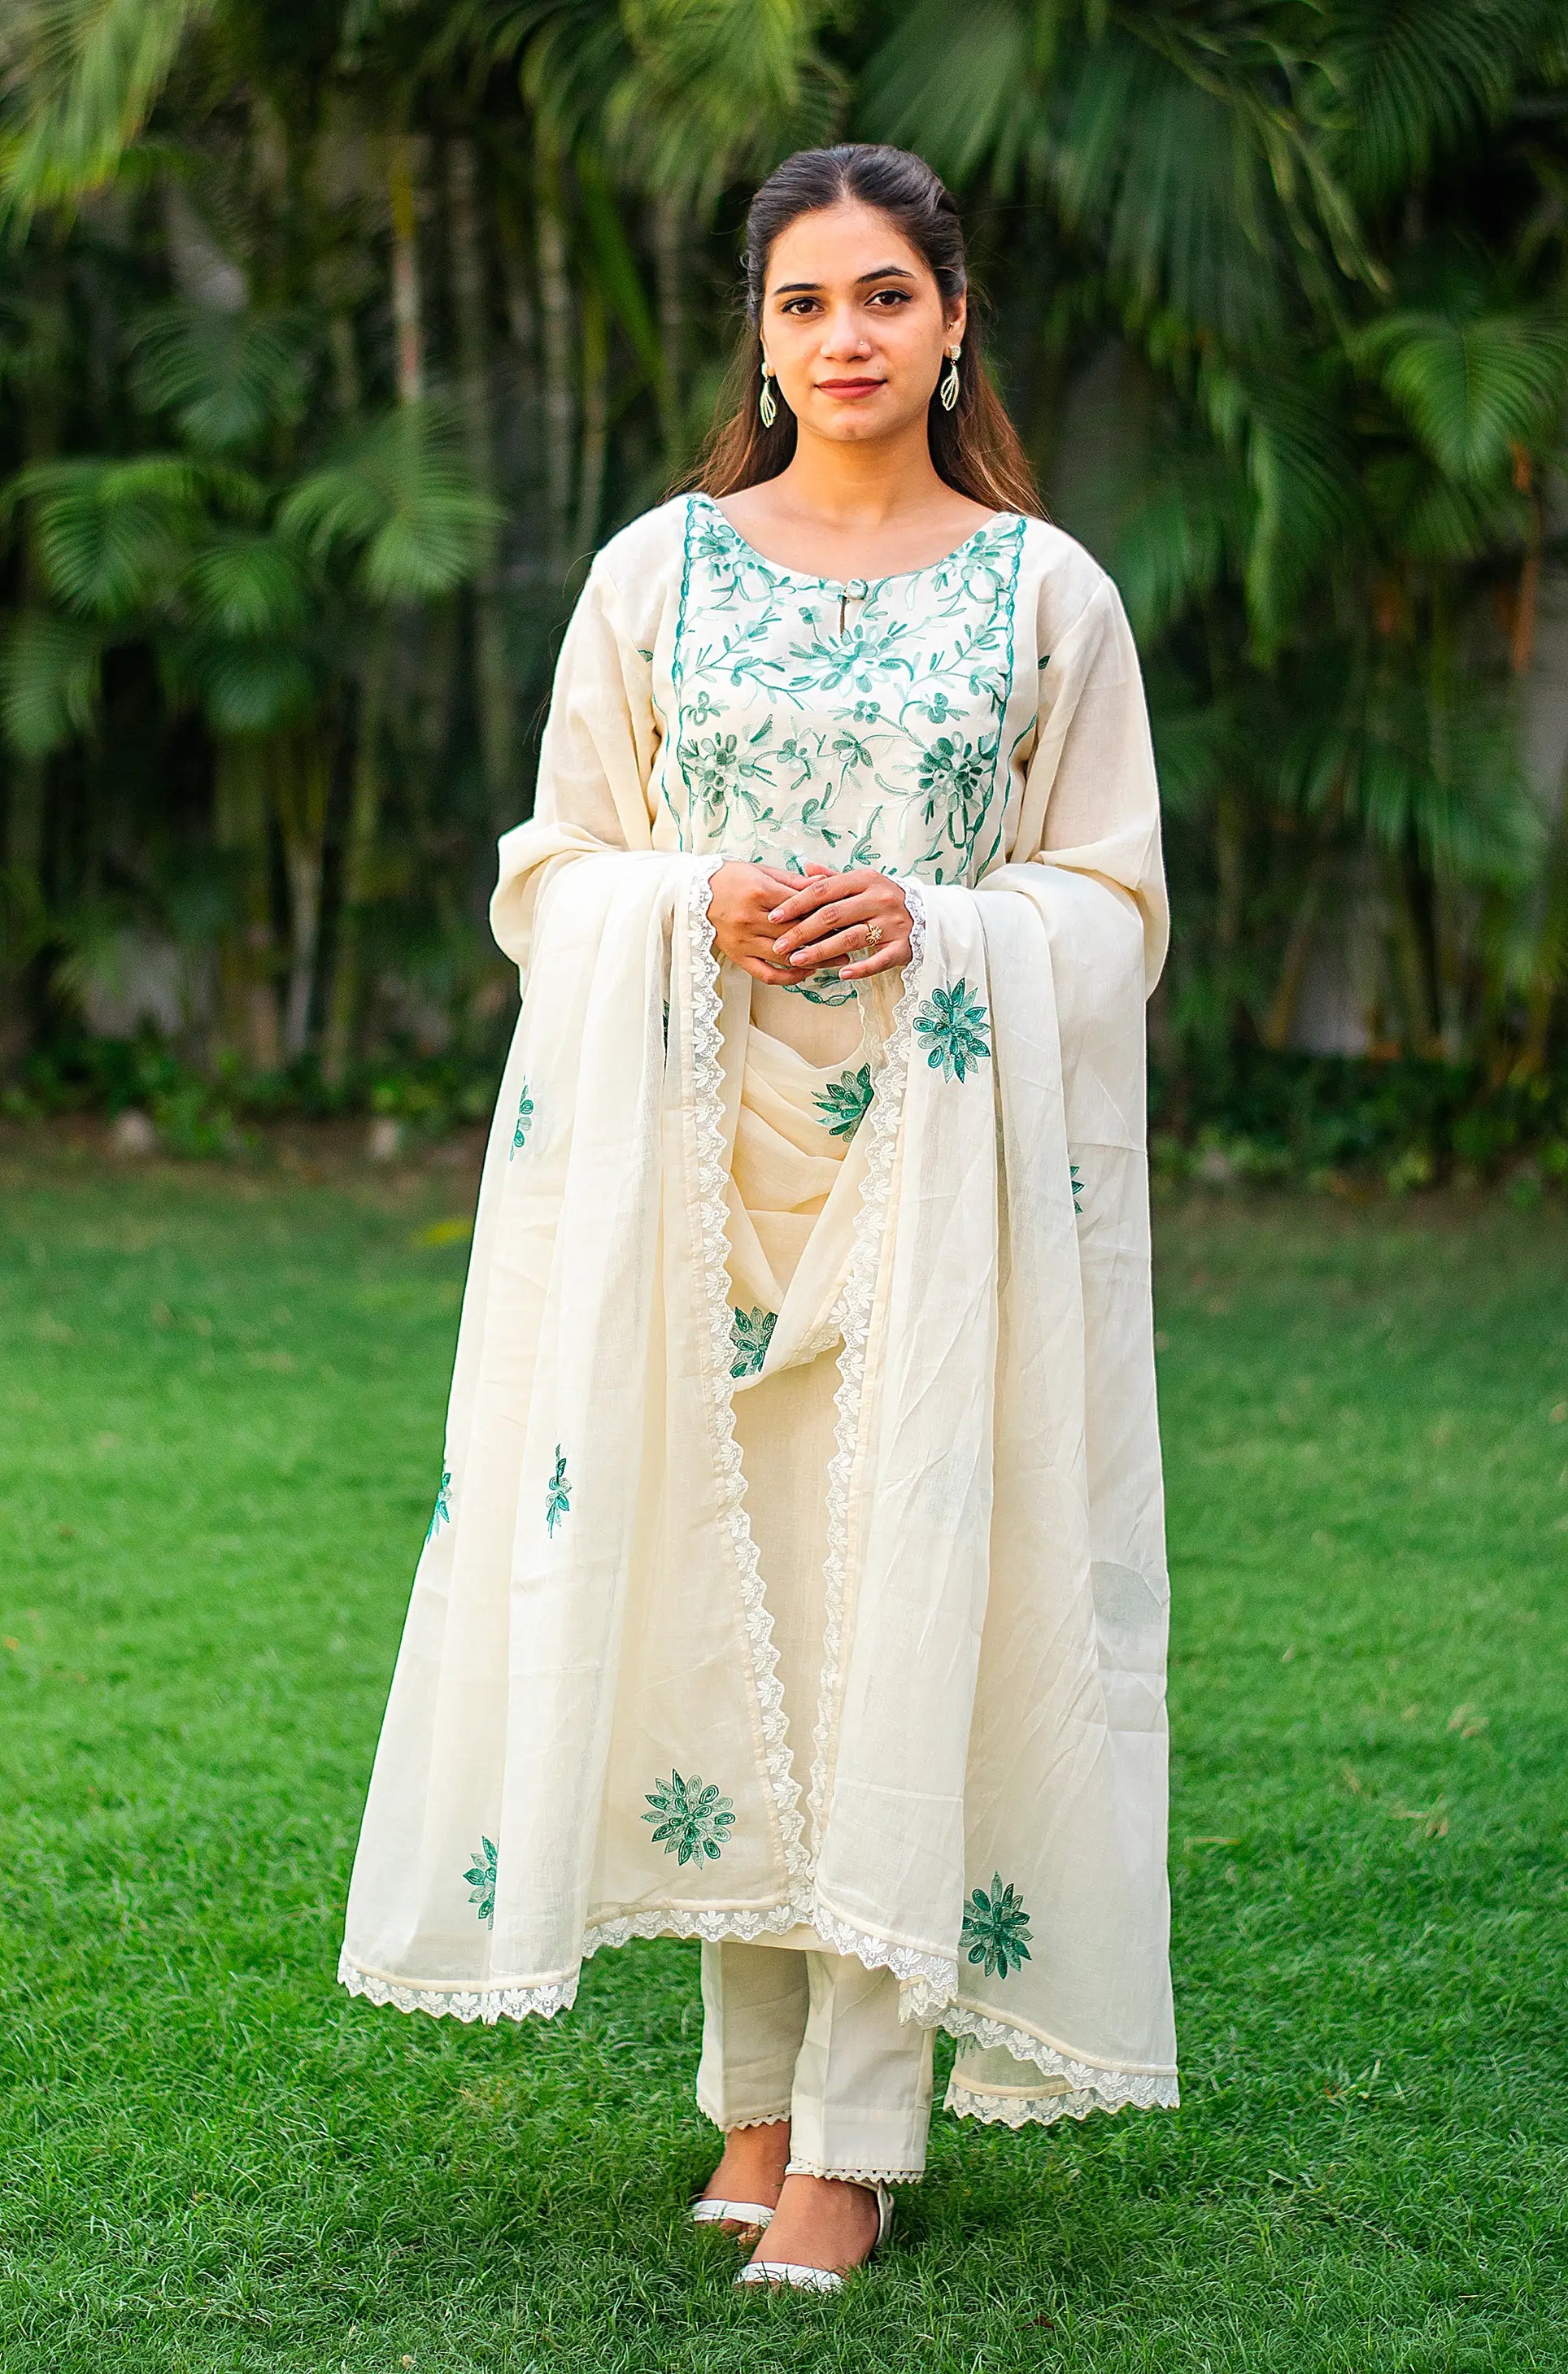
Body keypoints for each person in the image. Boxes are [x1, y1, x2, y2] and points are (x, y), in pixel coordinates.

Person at [340, 142, 1177, 2291]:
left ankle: (859, 2131)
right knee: (738, 1617)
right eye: (806, 302)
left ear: (952, 320)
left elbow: (1104, 902)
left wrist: (935, 923)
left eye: (884, 297)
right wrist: (685, 903)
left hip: (937, 1170)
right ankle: (750, 2099)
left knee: (899, 1603)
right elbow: (553, 871)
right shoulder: (657, 574)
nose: (845, 339)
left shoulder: (1041, 593)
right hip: (688, 1160)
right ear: (759, 331)